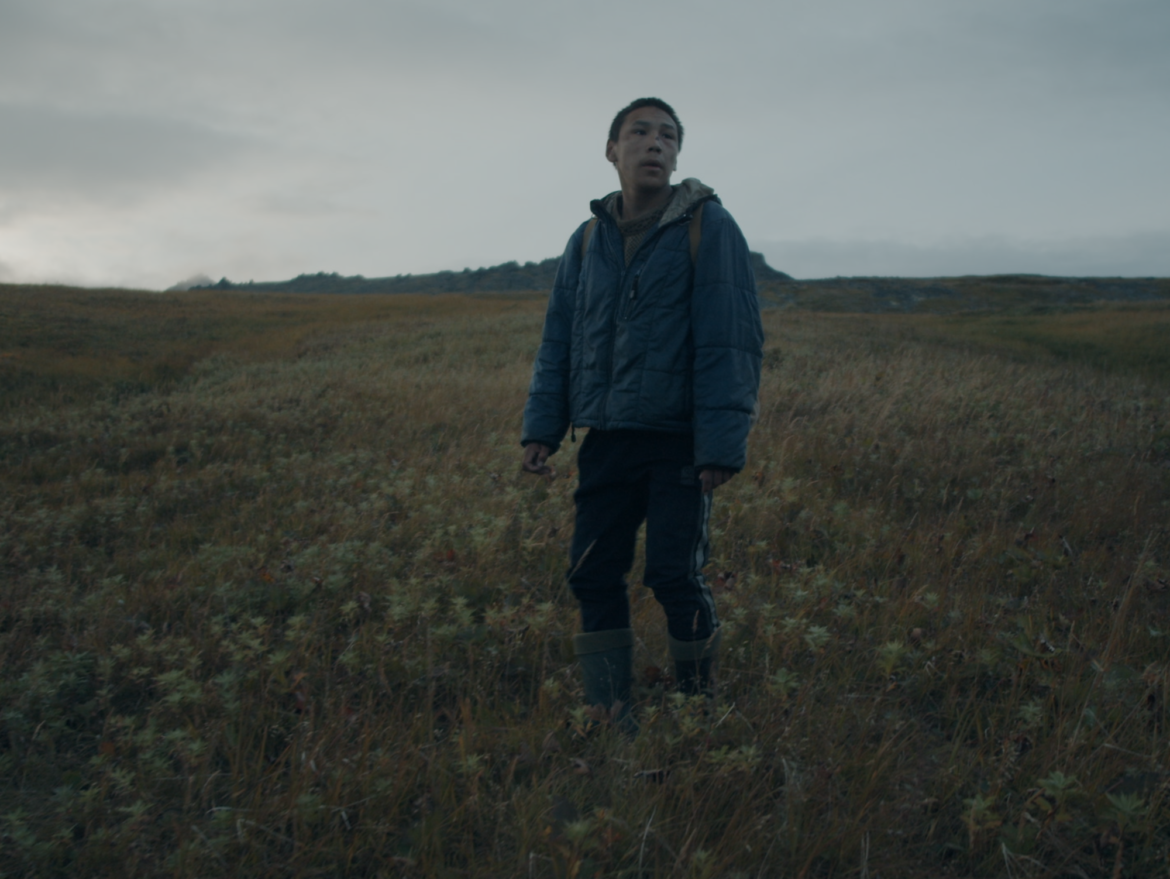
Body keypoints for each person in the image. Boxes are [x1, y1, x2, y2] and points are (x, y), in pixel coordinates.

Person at [520, 97, 763, 728]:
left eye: (668, 135)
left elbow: (729, 338)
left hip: (679, 442)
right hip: (606, 438)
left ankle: (694, 706)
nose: (655, 143)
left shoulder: (707, 225)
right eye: (639, 132)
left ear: (677, 153)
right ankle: (610, 709)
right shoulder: (586, 239)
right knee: (591, 571)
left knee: (672, 575)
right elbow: (559, 338)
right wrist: (542, 429)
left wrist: (718, 445)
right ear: (612, 150)